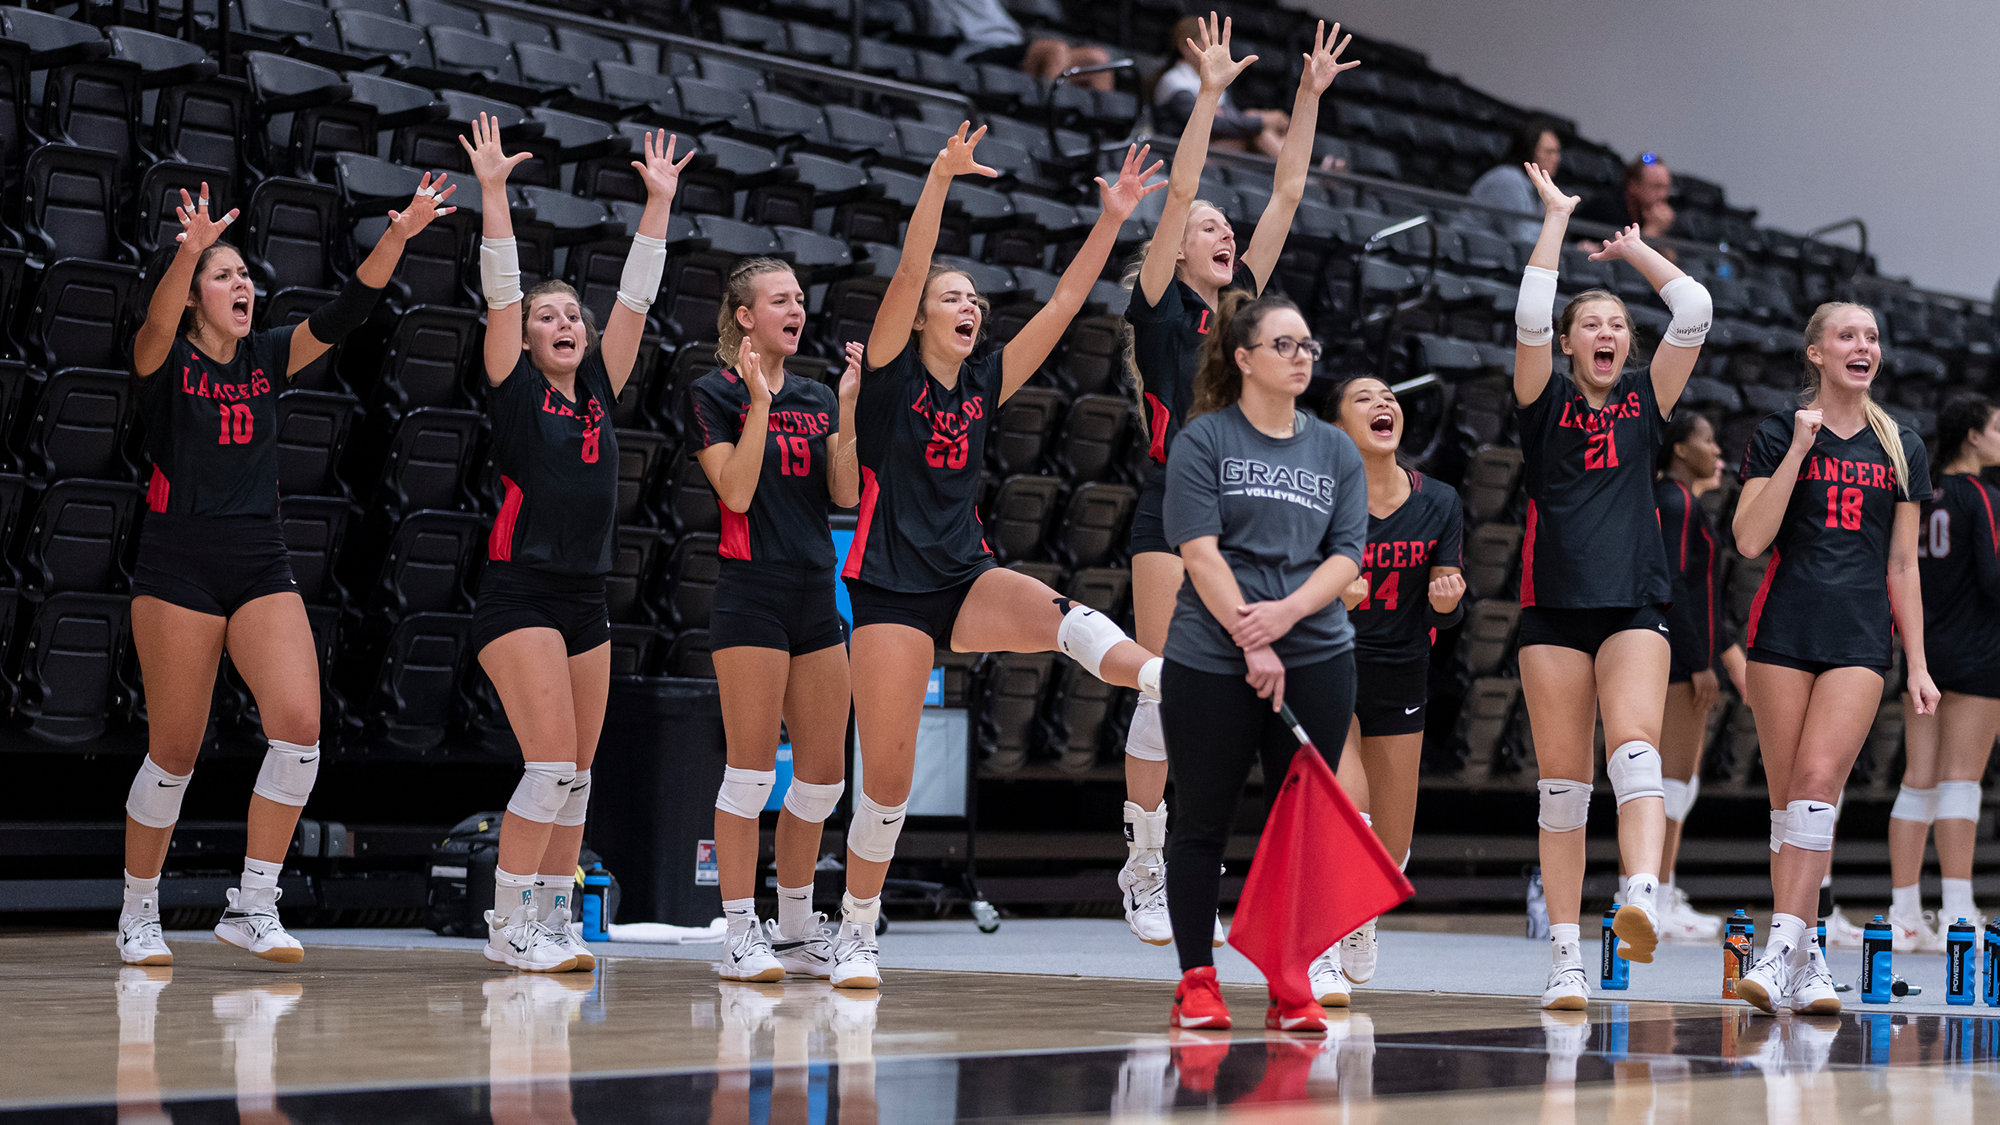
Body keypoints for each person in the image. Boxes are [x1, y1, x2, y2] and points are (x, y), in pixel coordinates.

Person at [837, 126, 1168, 990]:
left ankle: (1167, 678)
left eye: (974, 296)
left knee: (1063, 617)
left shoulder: (985, 381)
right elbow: (909, 271)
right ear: (918, 319)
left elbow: (1061, 307)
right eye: (953, 296)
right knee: (890, 779)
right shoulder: (887, 375)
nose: (967, 304)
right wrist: (941, 178)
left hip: (964, 575)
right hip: (888, 590)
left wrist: (1113, 220)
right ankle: (858, 931)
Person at [115, 176, 453, 967]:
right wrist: (189, 251)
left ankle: (253, 901)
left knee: (300, 729)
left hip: (259, 559)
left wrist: (397, 235)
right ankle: (138, 909)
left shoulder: (267, 358)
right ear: (197, 295)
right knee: (174, 751)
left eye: (245, 274)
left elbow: (343, 316)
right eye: (225, 275)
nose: (244, 285)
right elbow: (157, 320)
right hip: (178, 564)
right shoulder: (163, 359)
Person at [1118, 13, 1356, 948]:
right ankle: (1144, 851)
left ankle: (1225, 872)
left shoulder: (1246, 319)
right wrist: (1210, 94)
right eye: (1206, 228)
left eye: (1226, 227)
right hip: (1172, 511)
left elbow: (1289, 192)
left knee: (1237, 709)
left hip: (1253, 517)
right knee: (1165, 688)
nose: (1221, 233)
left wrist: (1305, 97)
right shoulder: (1159, 308)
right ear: (1177, 249)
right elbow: (1178, 191)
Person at [462, 114, 691, 973]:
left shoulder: (597, 384)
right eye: (548, 316)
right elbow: (501, 291)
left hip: (585, 599)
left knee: (580, 773)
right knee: (551, 760)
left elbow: (635, 299)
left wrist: (657, 207)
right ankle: (510, 921)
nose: (564, 322)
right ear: (525, 336)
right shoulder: (513, 387)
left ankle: (554, 920)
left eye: (572, 316)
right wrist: (493, 195)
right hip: (517, 593)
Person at [1510, 161, 1713, 1010]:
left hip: (1633, 601)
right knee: (1563, 790)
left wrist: (1636, 257)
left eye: (1616, 325)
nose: (1606, 331)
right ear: (1567, 342)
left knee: (1637, 747)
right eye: (1589, 323)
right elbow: (1527, 314)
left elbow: (1694, 308)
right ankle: (1564, 957)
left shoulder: (1645, 400)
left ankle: (1639, 892)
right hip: (1553, 609)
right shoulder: (1543, 397)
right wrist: (1555, 219)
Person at [1161, 291, 1367, 1034]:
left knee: (1303, 831)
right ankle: (1197, 980)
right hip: (1210, 656)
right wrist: (1252, 638)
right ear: (1243, 359)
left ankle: (1290, 981)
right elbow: (1199, 550)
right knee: (1202, 822)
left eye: (1307, 343)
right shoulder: (1205, 440)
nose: (1302, 355)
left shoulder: (1336, 449)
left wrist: (1283, 618)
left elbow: (1346, 555)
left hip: (1316, 654)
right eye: (1284, 344)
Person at [1730, 302, 1937, 1016]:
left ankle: (1780, 943)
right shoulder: (1774, 432)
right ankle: (1810, 958)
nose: (1864, 346)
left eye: (1873, 336)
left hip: (1857, 636)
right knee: (1791, 806)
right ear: (1816, 352)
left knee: (1820, 780)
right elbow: (1750, 539)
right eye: (1848, 335)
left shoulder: (1901, 442)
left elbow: (1903, 564)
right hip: (1783, 630)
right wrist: (1797, 449)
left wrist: (1916, 660)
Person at [687, 260, 863, 982]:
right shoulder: (713, 390)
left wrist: (848, 409)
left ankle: (793, 928)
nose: (797, 307)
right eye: (780, 299)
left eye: (800, 297)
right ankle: (738, 931)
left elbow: (845, 492)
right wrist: (759, 403)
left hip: (815, 594)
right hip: (750, 594)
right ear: (745, 315)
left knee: (823, 780)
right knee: (751, 774)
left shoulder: (819, 393)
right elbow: (734, 488)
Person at [1320, 375, 1464, 1004]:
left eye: (1389, 397)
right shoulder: (1318, 498)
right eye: (1364, 398)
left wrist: (1446, 603)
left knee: (1393, 847)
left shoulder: (1441, 502)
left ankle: (1360, 912)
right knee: (1347, 803)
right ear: (1335, 429)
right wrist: (1331, 589)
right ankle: (1319, 947)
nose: (1384, 405)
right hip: (1326, 664)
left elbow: (1446, 610)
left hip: (1401, 672)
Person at [1887, 394, 2000, 950]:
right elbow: (1995, 579)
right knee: (1961, 782)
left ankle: (1904, 915)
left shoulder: (1922, 494)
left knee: (1918, 781)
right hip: (1979, 652)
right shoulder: (1982, 496)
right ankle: (1959, 912)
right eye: (1998, 428)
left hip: (1922, 653)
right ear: (1972, 437)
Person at [1649, 411, 1746, 941]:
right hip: (1676, 661)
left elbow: (1705, 594)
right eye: (1708, 440)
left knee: (1678, 782)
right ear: (1681, 449)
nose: (1718, 452)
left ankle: (1662, 888)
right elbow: (1673, 586)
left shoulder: (1683, 502)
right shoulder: (1673, 502)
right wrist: (1697, 660)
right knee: (1669, 781)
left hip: (1685, 658)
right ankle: (1650, 894)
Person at [1151, 14, 1307, 157]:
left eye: (1217, 43)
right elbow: (1209, 123)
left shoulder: (1212, 79)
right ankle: (1303, 177)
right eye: (1208, 42)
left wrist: (1254, 116)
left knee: (1263, 132)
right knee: (1259, 132)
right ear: (1186, 47)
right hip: (1179, 150)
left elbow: (1229, 117)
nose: (1217, 50)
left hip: (1212, 144)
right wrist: (1260, 119)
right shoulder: (1174, 80)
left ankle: (1303, 175)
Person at [929, 0, 1113, 91]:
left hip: (1012, 44)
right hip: (977, 48)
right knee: (1054, 51)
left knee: (1098, 59)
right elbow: (935, 25)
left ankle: (1112, 136)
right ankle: (1047, 116)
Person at [1469, 117, 1563, 243]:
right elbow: (1523, 239)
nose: (1557, 159)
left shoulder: (1538, 187)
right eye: (1549, 152)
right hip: (1474, 253)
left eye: (1557, 152)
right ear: (1529, 151)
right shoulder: (1509, 179)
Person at [1576, 151, 1678, 242]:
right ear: (1633, 186)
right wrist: (1653, 229)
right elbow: (1620, 257)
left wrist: (1661, 231)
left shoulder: (1656, 214)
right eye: (1656, 187)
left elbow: (1672, 260)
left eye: (1666, 188)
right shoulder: (1608, 206)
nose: (1663, 194)